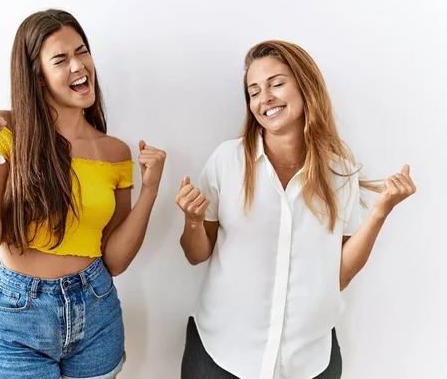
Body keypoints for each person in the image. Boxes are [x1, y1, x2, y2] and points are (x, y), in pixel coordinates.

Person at [175, 40, 416, 379]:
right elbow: (196, 254)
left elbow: (339, 277)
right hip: (221, 356)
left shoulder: (339, 172)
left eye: (276, 84)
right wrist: (193, 220)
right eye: (254, 91)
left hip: (309, 361)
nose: (265, 98)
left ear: (305, 86)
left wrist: (381, 212)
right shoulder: (226, 161)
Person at [0, 9, 166, 379]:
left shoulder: (115, 152)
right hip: (20, 319)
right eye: (61, 59)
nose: (79, 65)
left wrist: (150, 190)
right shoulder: (9, 139)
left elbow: (115, 261)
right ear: (37, 76)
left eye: (82, 51)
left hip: (97, 309)